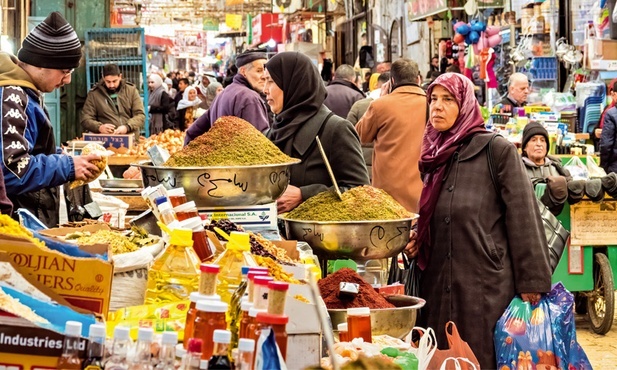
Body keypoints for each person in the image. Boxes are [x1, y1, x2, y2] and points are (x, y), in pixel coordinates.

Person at [405, 73, 551, 368]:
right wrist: (418, 237)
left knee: (481, 357)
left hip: (484, 287)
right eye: (433, 99)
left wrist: (532, 281)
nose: (437, 107)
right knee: (442, 358)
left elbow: (523, 215)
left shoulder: (495, 150)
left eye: (447, 100)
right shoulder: (434, 153)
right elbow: (438, 210)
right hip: (438, 281)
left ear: (465, 105)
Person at [0, 11, 101, 226]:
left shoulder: (27, 93)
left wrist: (57, 154)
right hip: (15, 224)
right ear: (40, 64)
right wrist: (67, 166)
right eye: (64, 71)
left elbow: (30, 150)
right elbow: (11, 170)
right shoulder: (11, 97)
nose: (68, 79)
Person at [263, 52, 370, 213]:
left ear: (294, 84)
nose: (265, 89)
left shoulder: (335, 129)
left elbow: (361, 192)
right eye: (264, 81)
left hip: (322, 236)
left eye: (271, 81)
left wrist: (304, 195)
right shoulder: (272, 133)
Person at [356, 59, 426, 213]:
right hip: (422, 189)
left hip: (386, 195)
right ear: (418, 79)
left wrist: (381, 99)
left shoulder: (380, 105)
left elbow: (359, 135)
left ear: (392, 81)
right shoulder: (430, 104)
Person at [184, 50, 269, 144]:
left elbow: (192, 132)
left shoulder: (223, 93)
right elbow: (260, 145)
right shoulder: (249, 98)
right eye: (259, 70)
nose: (264, 76)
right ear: (243, 71)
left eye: (265, 71)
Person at [81, 63, 145, 141]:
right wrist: (99, 127)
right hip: (106, 141)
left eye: (114, 81)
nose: (111, 85)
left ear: (120, 77)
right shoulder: (94, 94)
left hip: (131, 139)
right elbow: (86, 119)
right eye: (108, 82)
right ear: (103, 78)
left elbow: (140, 115)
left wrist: (127, 127)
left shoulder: (131, 91)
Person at [521, 122, 572, 215]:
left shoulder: (557, 168)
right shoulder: (518, 169)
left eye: (543, 140)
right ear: (525, 147)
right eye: (533, 140)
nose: (539, 144)